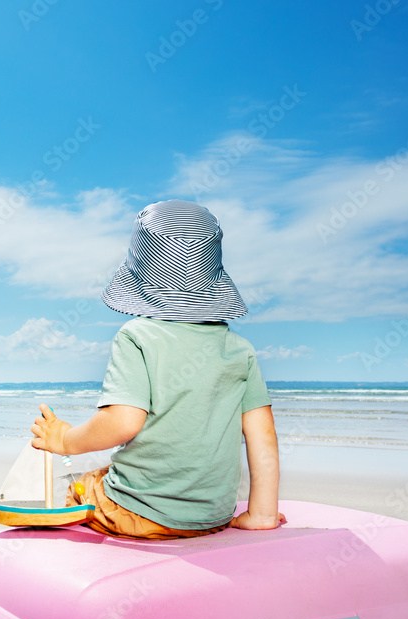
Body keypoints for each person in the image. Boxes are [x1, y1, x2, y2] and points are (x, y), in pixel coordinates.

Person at [30, 199, 285, 539]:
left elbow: (122, 422)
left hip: (137, 513)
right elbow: (263, 436)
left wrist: (65, 440)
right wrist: (262, 513)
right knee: (112, 473)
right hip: (211, 516)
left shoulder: (136, 336)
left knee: (82, 486)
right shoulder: (240, 349)